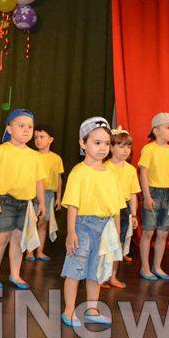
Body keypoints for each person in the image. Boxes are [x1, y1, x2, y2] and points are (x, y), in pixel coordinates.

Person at [60, 117, 123, 327]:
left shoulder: (111, 173)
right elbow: (72, 205)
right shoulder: (79, 172)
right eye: (97, 143)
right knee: (75, 269)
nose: (102, 148)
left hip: (105, 228)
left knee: (97, 270)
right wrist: (71, 232)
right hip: (83, 226)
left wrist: (117, 234)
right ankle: (69, 310)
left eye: (106, 143)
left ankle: (92, 308)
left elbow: (116, 207)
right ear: (83, 143)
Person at [0, 109, 46, 290]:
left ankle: (15, 274)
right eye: (21, 125)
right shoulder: (1, 151)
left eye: (30, 127)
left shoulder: (35, 156)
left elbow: (39, 181)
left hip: (26, 203)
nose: (26, 130)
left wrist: (42, 203)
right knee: (1, 238)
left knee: (19, 239)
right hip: (5, 201)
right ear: (9, 129)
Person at [138, 113, 169, 281]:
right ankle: (145, 267)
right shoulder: (149, 149)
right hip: (153, 192)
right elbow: (143, 173)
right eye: (168, 127)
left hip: (168, 194)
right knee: (148, 232)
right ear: (156, 131)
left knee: (163, 233)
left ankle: (157, 266)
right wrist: (146, 196)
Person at [104, 126, 140, 289]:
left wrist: (133, 215)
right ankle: (100, 277)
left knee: (117, 243)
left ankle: (112, 276)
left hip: (123, 209)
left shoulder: (131, 170)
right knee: (104, 243)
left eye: (128, 146)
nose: (126, 150)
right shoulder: (104, 167)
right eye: (121, 146)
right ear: (111, 147)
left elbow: (133, 194)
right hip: (107, 208)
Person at [27, 124, 64, 262]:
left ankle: (40, 251)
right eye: (36, 137)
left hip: (48, 194)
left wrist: (58, 197)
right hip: (33, 193)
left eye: (42, 137)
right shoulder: (31, 155)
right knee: (31, 222)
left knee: (43, 223)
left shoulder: (56, 158)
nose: (38, 140)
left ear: (50, 140)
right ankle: (29, 252)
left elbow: (59, 179)